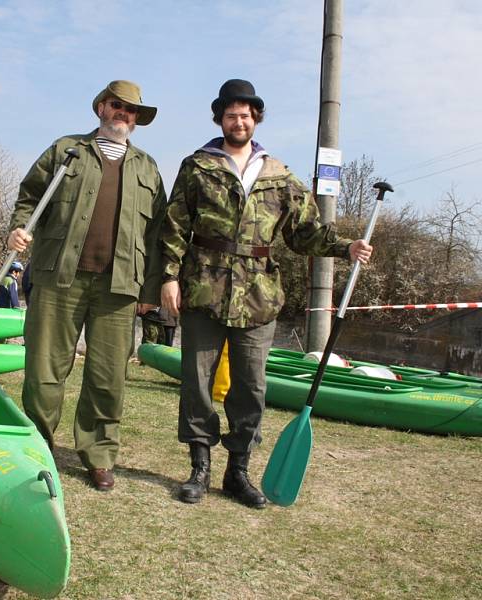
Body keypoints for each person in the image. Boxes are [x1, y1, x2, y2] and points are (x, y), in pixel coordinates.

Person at [160, 79, 373, 508]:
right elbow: (175, 227)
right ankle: (198, 468)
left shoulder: (278, 174)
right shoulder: (197, 166)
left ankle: (238, 470)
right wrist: (167, 278)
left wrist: (345, 247)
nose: (238, 121)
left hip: (259, 297)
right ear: (220, 118)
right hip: (203, 288)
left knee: (251, 387)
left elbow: (305, 232)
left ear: (255, 119)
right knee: (197, 384)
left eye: (246, 114)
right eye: (230, 114)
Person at [7, 80, 167, 492]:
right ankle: (36, 445)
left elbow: (157, 236)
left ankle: (98, 455)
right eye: (117, 106)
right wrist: (16, 231)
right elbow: (29, 198)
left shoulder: (148, 168)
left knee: (108, 375)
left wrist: (150, 291)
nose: (123, 115)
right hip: (58, 277)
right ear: (100, 107)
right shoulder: (66, 150)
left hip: (119, 287)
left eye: (131, 111)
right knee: (44, 368)